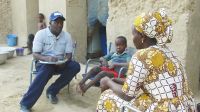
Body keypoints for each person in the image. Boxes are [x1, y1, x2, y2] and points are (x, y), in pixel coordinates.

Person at [96, 8, 196, 112]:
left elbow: (127, 95)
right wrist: (116, 80)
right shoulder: (171, 53)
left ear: (142, 36)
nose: (133, 38)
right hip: (186, 106)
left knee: (106, 96)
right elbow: (150, 82)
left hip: (164, 109)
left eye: (133, 34)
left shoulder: (141, 56)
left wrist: (108, 82)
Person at [20, 11, 80, 112]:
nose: (60, 25)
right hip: (43, 63)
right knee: (47, 69)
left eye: (61, 22)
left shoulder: (67, 36)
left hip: (60, 64)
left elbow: (69, 55)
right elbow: (35, 54)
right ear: (50, 23)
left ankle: (52, 91)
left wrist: (64, 62)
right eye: (56, 22)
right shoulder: (41, 34)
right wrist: (47, 58)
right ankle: (25, 104)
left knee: (75, 66)